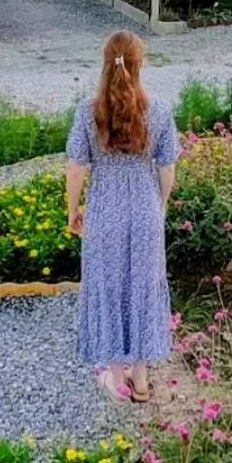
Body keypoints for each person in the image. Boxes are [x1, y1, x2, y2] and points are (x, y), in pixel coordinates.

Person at [65, 30, 180, 403]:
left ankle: (116, 379)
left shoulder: (88, 111)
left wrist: (73, 209)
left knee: (109, 287)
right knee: (143, 287)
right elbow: (167, 167)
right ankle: (141, 380)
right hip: (145, 210)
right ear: (140, 63)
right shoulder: (158, 110)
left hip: (104, 213)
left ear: (105, 63)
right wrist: (159, 206)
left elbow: (76, 167)